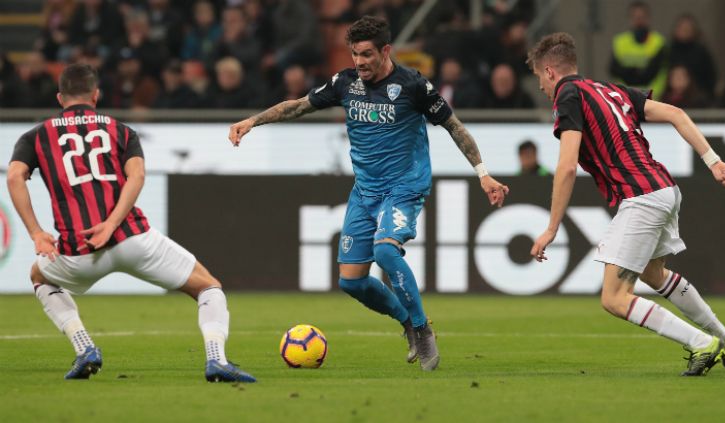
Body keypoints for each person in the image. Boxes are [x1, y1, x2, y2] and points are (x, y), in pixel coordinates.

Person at [228, 16, 509, 371]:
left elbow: (454, 127)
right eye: (354, 54)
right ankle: (406, 322)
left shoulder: (412, 85)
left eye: (365, 54)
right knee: (351, 281)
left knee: (385, 253)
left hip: (404, 186)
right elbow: (298, 105)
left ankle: (422, 329)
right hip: (365, 191)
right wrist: (252, 121)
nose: (358, 61)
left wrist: (483, 174)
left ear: (385, 51)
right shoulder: (345, 83)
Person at [6, 64, 255, 383]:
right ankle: (216, 360)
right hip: (133, 239)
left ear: (59, 97)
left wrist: (36, 233)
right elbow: (136, 176)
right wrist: (110, 224)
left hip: (78, 250)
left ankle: (85, 348)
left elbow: (14, 176)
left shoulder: (36, 135)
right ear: (96, 96)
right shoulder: (121, 130)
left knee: (39, 275)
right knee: (208, 287)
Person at [526, 32, 725, 376]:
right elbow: (675, 113)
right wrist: (713, 160)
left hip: (642, 197)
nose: (540, 86)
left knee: (614, 298)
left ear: (551, 72)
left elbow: (567, 165)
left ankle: (703, 344)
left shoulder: (567, 95)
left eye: (539, 77)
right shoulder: (611, 89)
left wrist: (551, 228)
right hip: (664, 188)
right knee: (652, 273)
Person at [609, 1, 668, 99]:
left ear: (648, 18)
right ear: (630, 19)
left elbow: (652, 73)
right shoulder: (620, 42)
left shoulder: (658, 42)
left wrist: (629, 71)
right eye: (635, 17)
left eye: (642, 17)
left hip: (653, 98)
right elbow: (613, 69)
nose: (639, 20)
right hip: (625, 99)